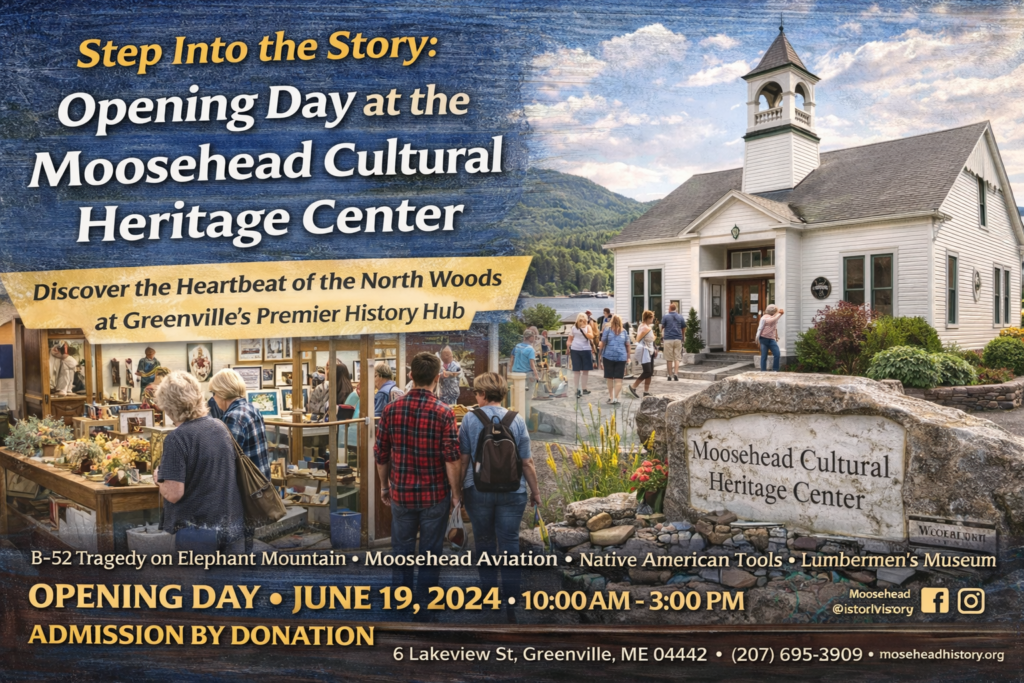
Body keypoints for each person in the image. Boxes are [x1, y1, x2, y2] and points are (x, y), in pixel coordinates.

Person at [375, 352, 462, 621]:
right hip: (435, 494)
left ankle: (400, 606)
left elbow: (381, 454)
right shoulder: (445, 412)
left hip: (401, 492)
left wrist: (384, 487)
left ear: (411, 375)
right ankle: (425, 608)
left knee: (401, 550)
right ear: (437, 378)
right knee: (431, 551)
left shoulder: (391, 410)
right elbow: (452, 458)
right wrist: (456, 495)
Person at [459, 372, 541, 624]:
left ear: (483, 394)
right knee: (509, 543)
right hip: (513, 491)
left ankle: (489, 598)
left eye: (476, 392)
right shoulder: (516, 420)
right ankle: (512, 603)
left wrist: (458, 491)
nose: (476, 396)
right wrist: (536, 492)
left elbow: (464, 459)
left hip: (478, 490)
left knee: (484, 542)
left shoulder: (470, 419)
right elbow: (526, 462)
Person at [153, 371, 244, 554]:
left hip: (197, 531)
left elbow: (173, 494)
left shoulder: (177, 438)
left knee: (197, 574)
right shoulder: (220, 426)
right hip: (231, 524)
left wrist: (158, 478)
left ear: (169, 406)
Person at [209, 369, 271, 479]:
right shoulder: (252, 408)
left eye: (214, 393)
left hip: (247, 485)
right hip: (261, 481)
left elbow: (226, 462)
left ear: (222, 392)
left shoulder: (233, 417)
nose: (214, 398)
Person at [599, 314, 631, 404]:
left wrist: (600, 354)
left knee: (610, 378)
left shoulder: (607, 330)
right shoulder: (624, 332)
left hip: (608, 356)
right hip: (621, 357)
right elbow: (628, 345)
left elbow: (603, 343)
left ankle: (611, 397)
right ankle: (615, 397)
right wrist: (628, 357)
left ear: (611, 321)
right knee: (619, 379)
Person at [625, 310, 656, 399]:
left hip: (649, 350)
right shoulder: (645, 327)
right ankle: (632, 387)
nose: (653, 320)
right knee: (647, 371)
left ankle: (646, 391)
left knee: (650, 372)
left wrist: (654, 347)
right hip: (644, 350)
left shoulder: (645, 327)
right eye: (652, 318)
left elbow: (651, 339)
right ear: (648, 318)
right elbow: (638, 339)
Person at [568, 312, 594, 398]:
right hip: (576, 349)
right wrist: (568, 346)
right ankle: (577, 389)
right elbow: (570, 339)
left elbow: (591, 336)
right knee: (577, 370)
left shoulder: (588, 327)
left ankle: (583, 388)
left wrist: (583, 330)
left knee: (585, 370)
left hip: (585, 349)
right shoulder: (574, 328)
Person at [660, 303, 686, 381]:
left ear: (669, 308)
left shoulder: (665, 316)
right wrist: (683, 336)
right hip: (678, 338)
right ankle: (676, 374)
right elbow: (683, 327)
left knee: (669, 358)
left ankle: (669, 375)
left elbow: (662, 327)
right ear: (676, 309)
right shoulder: (680, 317)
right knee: (677, 357)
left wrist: (661, 336)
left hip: (668, 338)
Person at [757, 305, 785, 372]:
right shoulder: (764, 317)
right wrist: (780, 314)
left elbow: (775, 326)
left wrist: (776, 336)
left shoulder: (773, 317)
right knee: (764, 356)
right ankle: (763, 370)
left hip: (771, 339)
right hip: (763, 338)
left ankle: (775, 369)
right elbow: (772, 321)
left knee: (777, 354)